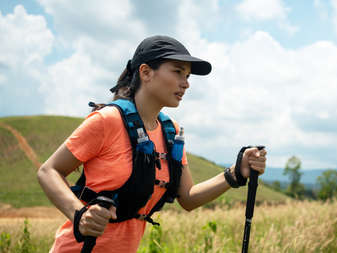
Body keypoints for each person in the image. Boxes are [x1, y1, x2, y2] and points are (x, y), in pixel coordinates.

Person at [37, 35, 267, 253]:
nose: (185, 83)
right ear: (146, 72)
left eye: (187, 76)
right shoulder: (107, 120)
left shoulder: (171, 132)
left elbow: (187, 197)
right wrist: (80, 214)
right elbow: (49, 171)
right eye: (178, 72)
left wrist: (236, 173)